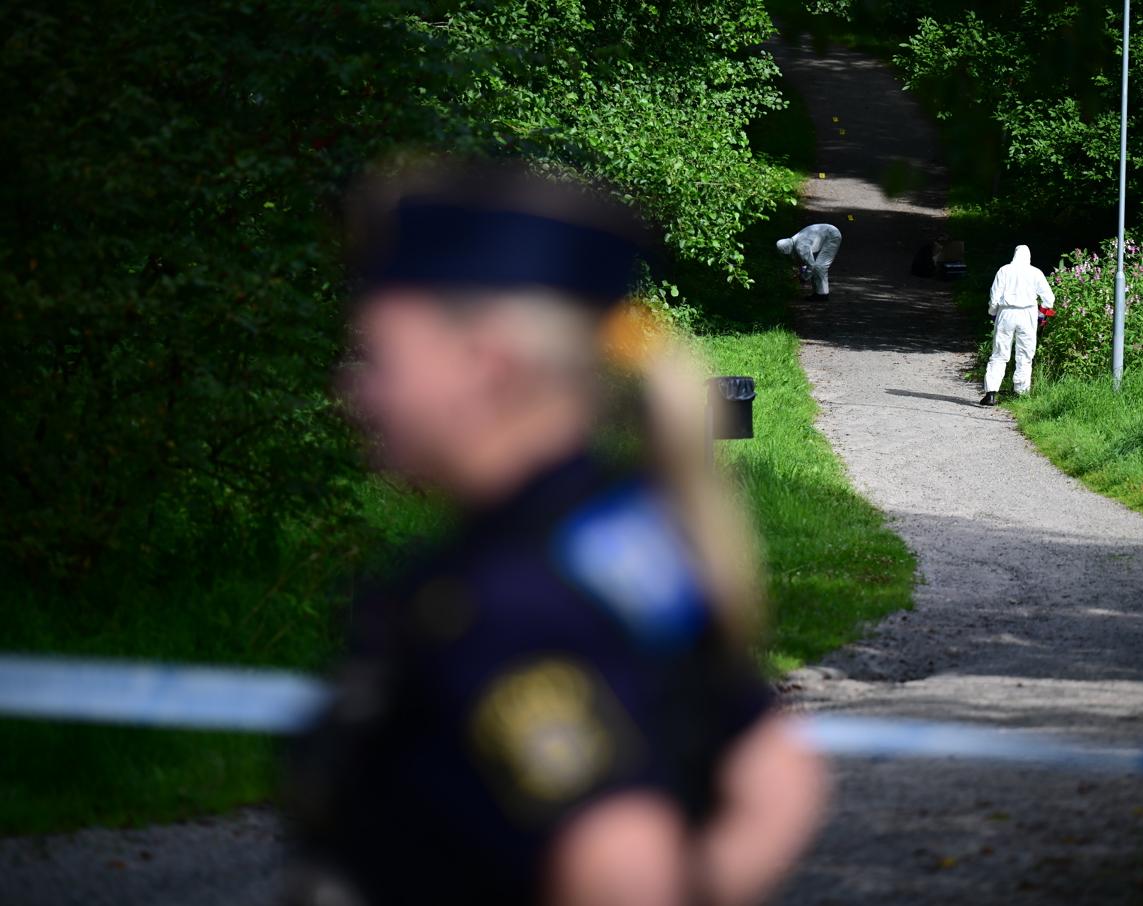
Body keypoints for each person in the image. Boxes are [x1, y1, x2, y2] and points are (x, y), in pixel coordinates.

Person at [283, 160, 826, 906]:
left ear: (486, 364)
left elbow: (623, 868)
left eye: (377, 357)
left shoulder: (504, 604)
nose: (354, 391)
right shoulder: (621, 533)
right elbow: (777, 778)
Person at [980, 244, 1055, 406]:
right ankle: (1020, 392)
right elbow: (1049, 298)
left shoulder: (1004, 270)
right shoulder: (1035, 273)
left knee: (999, 353)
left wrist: (993, 313)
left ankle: (991, 393)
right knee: (1025, 354)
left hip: (1006, 313)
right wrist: (1042, 314)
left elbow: (994, 297)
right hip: (1028, 313)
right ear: (1028, 257)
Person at [776, 223, 842, 300]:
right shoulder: (794, 240)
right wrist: (802, 271)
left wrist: (803, 278)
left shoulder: (801, 246)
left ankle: (822, 295)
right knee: (816, 266)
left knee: (820, 266)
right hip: (827, 232)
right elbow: (804, 262)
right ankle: (818, 293)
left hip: (832, 236)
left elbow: (811, 265)